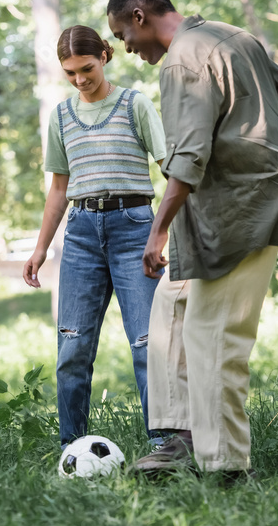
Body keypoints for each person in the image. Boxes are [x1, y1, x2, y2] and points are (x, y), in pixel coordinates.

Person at [106, 0, 278, 480]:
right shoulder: (233, 36)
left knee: (214, 336)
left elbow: (187, 157)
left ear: (139, 16)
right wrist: (258, 142)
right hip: (222, 208)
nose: (128, 48)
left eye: (122, 35)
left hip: (241, 211)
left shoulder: (183, 60)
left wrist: (156, 231)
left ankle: (226, 467)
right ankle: (184, 437)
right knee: (171, 309)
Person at [22, 25, 168, 448]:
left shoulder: (134, 104)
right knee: (72, 349)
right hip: (82, 235)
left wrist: (164, 234)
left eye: (86, 69)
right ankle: (72, 448)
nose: (80, 79)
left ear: (104, 56)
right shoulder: (62, 116)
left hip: (134, 228)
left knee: (145, 345)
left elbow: (170, 168)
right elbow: (59, 189)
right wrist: (40, 247)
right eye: (70, 73)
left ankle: (163, 446)